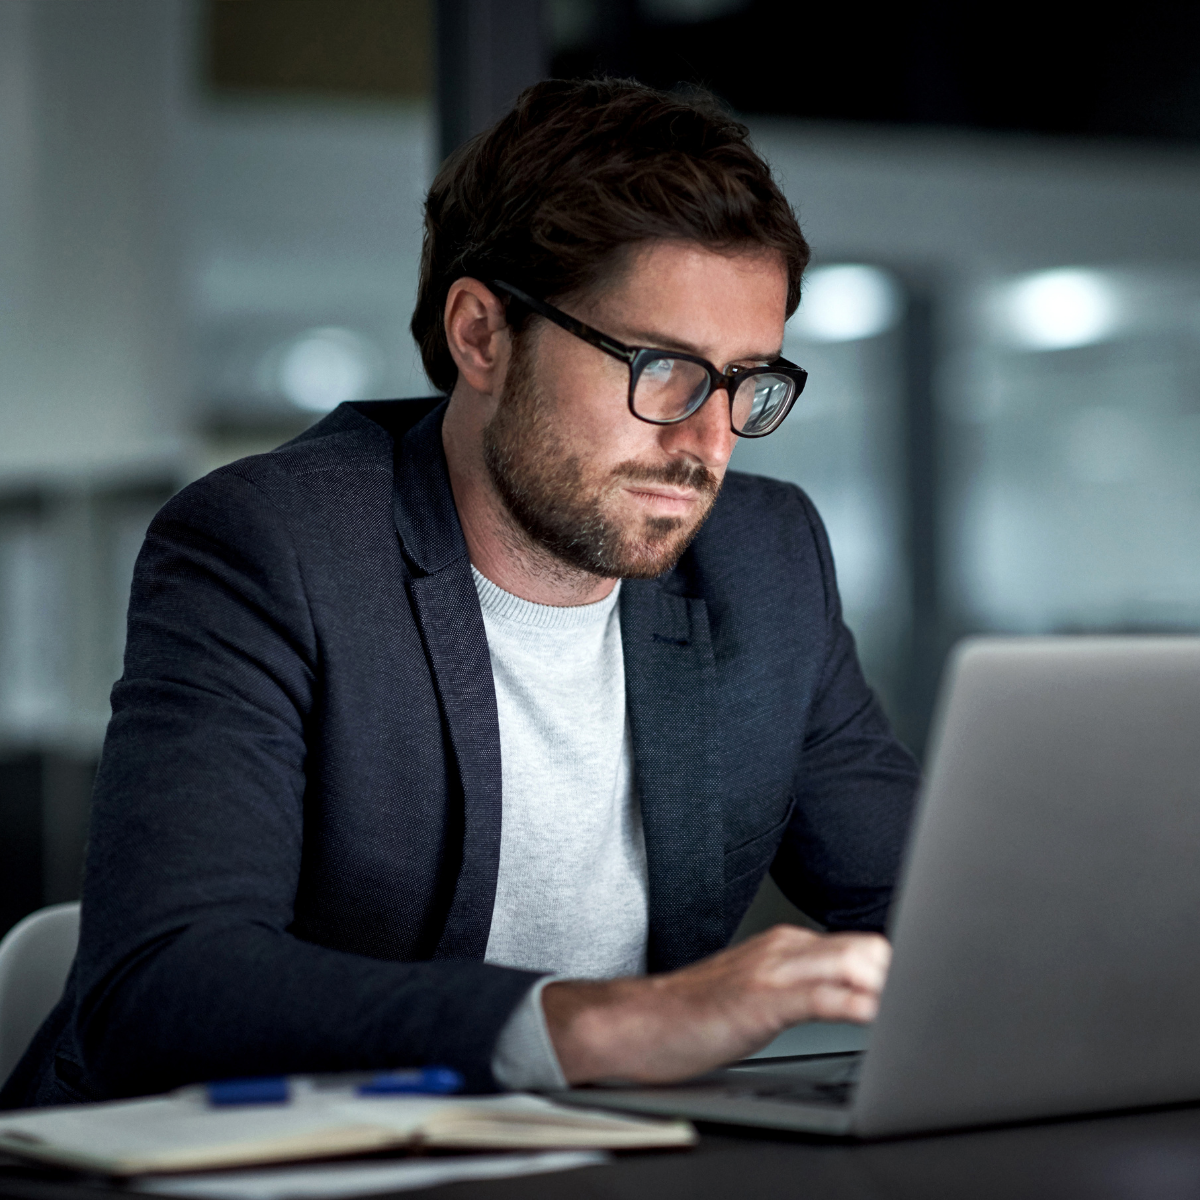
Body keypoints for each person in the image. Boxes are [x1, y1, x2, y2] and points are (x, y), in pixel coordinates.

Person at [1, 78, 918, 1109]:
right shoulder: (272, 547)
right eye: (663, 368)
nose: (706, 441)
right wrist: (613, 1023)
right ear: (482, 334)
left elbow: (930, 908)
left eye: (747, 379)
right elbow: (164, 986)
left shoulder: (768, 558)